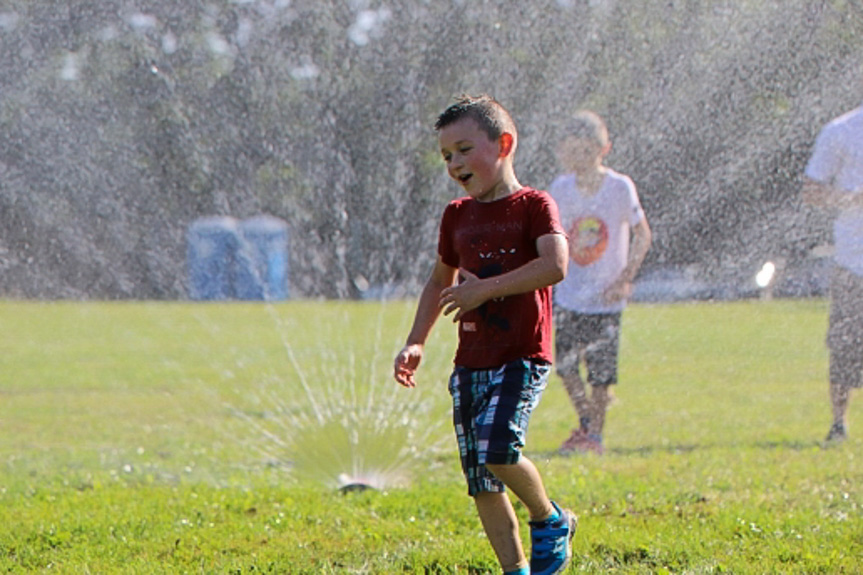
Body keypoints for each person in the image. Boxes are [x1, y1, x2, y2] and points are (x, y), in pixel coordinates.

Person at [393, 94, 576, 575]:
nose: (454, 163)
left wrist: (485, 291)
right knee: (481, 479)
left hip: (521, 353)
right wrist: (417, 340)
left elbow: (555, 265)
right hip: (471, 360)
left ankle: (550, 518)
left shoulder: (534, 204)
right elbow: (440, 280)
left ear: (504, 144)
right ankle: (515, 569)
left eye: (464, 149)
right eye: (446, 156)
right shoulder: (456, 215)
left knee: (499, 449)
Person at [548, 110, 652, 455]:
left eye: (585, 151)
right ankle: (588, 425)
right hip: (568, 293)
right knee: (563, 364)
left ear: (602, 149)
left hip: (607, 298)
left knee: (601, 375)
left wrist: (625, 278)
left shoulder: (619, 187)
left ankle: (594, 436)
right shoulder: (560, 189)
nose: (578, 158)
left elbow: (642, 234)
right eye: (571, 150)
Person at [802, 97, 863, 444]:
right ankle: (839, 423)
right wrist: (853, 199)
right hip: (854, 259)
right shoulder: (841, 131)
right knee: (845, 345)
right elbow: (811, 191)